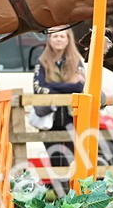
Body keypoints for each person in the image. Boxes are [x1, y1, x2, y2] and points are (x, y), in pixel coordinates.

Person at [31, 30, 85, 167]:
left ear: (68, 40)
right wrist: (68, 85)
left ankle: (72, 188)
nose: (59, 39)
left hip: (72, 117)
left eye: (62, 36)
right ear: (49, 39)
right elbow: (38, 88)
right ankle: (58, 189)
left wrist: (51, 86)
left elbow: (79, 87)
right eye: (55, 36)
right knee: (55, 159)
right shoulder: (41, 62)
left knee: (73, 159)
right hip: (49, 119)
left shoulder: (77, 61)